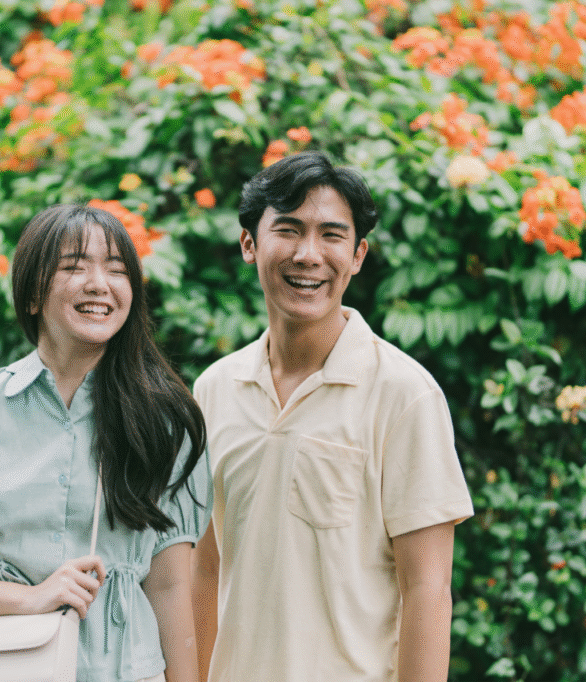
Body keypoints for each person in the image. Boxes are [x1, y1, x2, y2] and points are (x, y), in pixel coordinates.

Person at [0, 204, 210, 682]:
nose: (99, 283)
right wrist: (30, 598)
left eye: (117, 270)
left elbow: (170, 587)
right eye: (75, 267)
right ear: (33, 294)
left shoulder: (164, 424)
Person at [191, 151, 474, 682]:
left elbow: (428, 590)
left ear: (359, 254)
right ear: (250, 243)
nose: (308, 254)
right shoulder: (214, 390)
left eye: (331, 235)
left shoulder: (405, 395)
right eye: (289, 230)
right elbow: (203, 569)